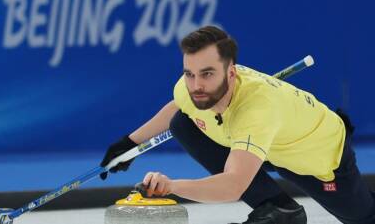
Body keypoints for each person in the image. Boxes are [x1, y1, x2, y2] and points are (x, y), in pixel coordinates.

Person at [99, 26, 375, 224]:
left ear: (231, 73)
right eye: (189, 74)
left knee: (361, 216)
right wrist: (129, 144)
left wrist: (171, 186)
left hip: (316, 154)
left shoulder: (257, 109)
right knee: (183, 123)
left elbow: (232, 186)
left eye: (207, 74)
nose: (196, 85)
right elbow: (179, 105)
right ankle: (279, 210)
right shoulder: (191, 87)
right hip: (262, 145)